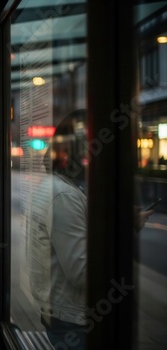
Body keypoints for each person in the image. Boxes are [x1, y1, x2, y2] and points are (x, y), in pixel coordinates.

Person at [27, 110, 153, 350]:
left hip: (64, 315)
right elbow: (84, 272)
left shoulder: (59, 187)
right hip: (73, 321)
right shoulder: (63, 195)